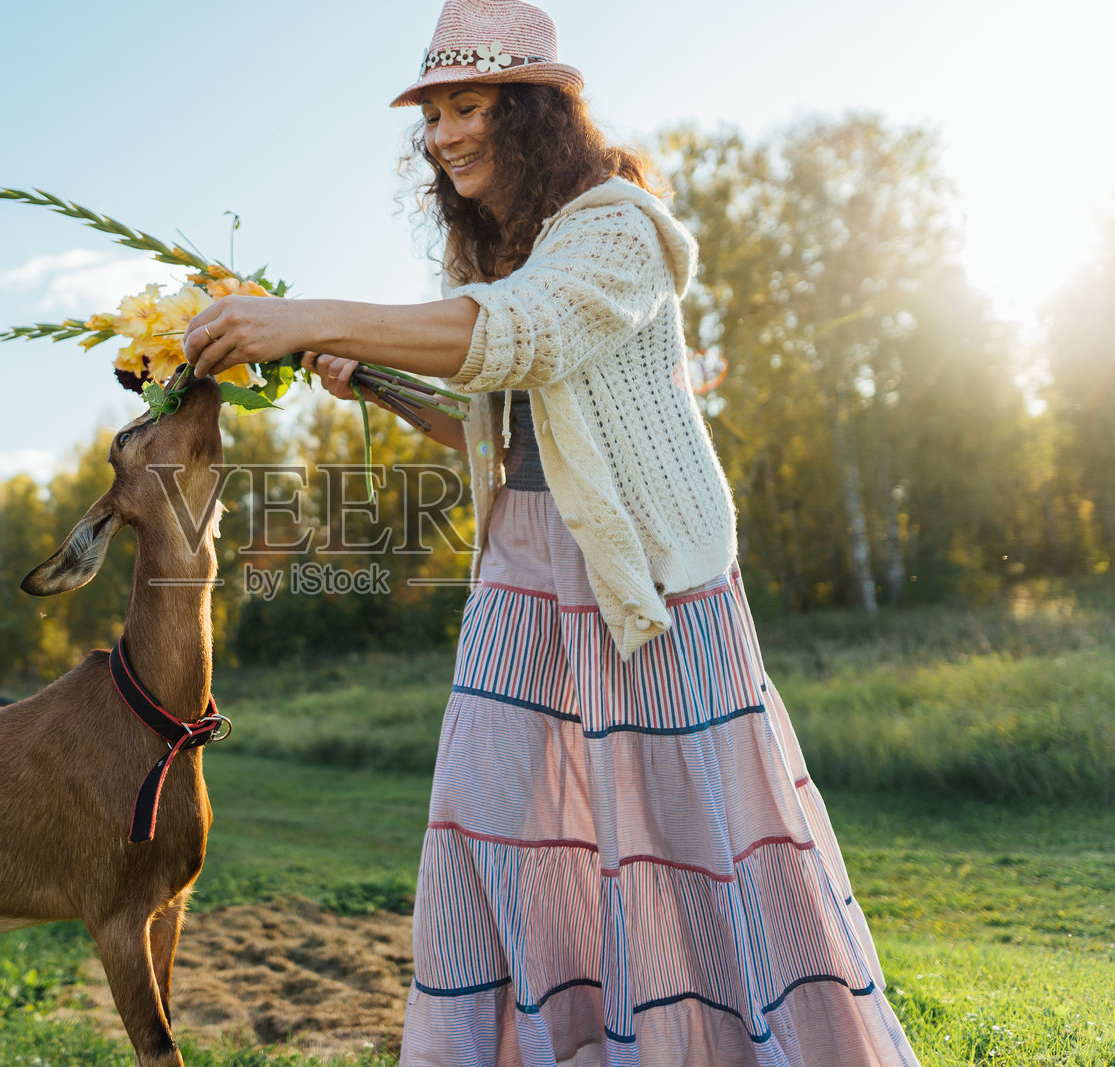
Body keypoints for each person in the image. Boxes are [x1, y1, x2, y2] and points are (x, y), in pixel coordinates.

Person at [184, 2, 920, 1063]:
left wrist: (304, 313)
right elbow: (502, 422)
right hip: (520, 573)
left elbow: (519, 338)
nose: (442, 136)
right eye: (431, 115)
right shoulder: (508, 258)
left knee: (678, 832)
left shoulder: (617, 230)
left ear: (530, 113)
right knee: (489, 820)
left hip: (648, 583)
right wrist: (378, 383)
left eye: (466, 107)